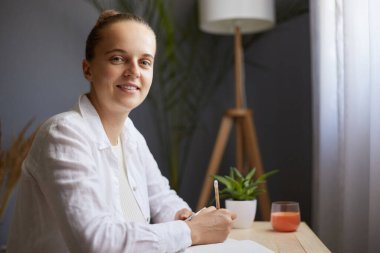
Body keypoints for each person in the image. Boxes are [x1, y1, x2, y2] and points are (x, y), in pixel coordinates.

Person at [7, 9, 236, 253]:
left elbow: (161, 198)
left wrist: (186, 216)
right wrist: (192, 231)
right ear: (88, 69)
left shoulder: (130, 134)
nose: (134, 71)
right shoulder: (63, 134)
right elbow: (96, 242)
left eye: (145, 62)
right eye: (118, 58)